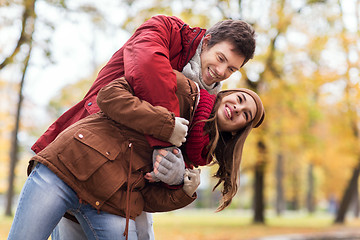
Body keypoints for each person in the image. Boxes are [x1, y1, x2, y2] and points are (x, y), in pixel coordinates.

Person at [29, 14, 256, 239]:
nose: (221, 71)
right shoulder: (166, 30)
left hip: (125, 179)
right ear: (206, 41)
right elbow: (148, 69)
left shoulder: (206, 102)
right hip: (85, 150)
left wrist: (179, 179)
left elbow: (170, 158)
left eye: (231, 69)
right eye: (220, 58)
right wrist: (166, 137)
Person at [8, 71, 264, 240]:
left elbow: (145, 197)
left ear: (237, 131)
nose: (237, 108)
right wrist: (166, 126)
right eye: (239, 98)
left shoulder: (195, 157)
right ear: (225, 94)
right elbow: (109, 94)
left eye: (245, 115)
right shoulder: (183, 89)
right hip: (65, 171)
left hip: (106, 203)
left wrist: (180, 191)